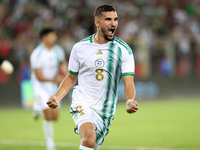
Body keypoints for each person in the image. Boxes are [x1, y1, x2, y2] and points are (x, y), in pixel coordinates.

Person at [47, 5, 138, 150]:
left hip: (105, 111)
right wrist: (57, 97)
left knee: (91, 146)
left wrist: (130, 100)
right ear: (97, 22)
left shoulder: (124, 50)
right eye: (108, 19)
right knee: (88, 138)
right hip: (82, 101)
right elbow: (71, 77)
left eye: (115, 19)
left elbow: (129, 82)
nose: (113, 23)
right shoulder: (79, 48)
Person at [30, 27, 67, 150]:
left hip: (53, 86)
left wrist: (65, 73)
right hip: (40, 86)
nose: (54, 38)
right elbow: (39, 77)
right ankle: (50, 144)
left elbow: (63, 64)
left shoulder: (58, 50)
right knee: (48, 115)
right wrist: (55, 79)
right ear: (44, 38)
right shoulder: (37, 54)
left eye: (54, 35)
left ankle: (38, 108)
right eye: (51, 36)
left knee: (55, 117)